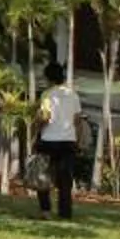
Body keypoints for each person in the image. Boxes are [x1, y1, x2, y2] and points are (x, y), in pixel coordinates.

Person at [36, 59, 84, 219]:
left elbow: (45, 117)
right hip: (68, 141)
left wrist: (36, 128)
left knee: (43, 177)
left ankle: (46, 210)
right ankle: (65, 212)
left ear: (49, 78)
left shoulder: (47, 95)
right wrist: (77, 139)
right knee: (65, 180)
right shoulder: (73, 95)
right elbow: (77, 120)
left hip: (48, 140)